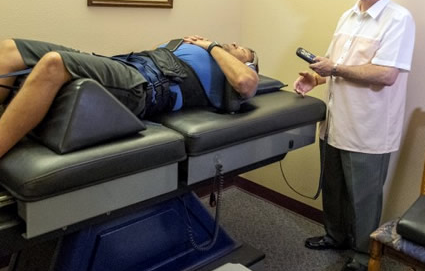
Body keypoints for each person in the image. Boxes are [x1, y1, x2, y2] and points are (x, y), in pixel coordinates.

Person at [294, 0, 415, 271]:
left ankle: (363, 254)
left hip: (369, 128)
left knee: (363, 198)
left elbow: (386, 73)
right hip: (335, 122)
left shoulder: (399, 19)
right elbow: (333, 66)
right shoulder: (347, 16)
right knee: (333, 187)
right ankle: (335, 236)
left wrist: (334, 68)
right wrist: (314, 77)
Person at [0, 35, 259, 159]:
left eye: (243, 50)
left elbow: (245, 84)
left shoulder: (233, 71)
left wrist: (210, 46)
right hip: (125, 66)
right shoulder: (200, 49)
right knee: (9, 49)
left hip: (143, 87)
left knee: (54, 64)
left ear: (249, 63)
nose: (235, 44)